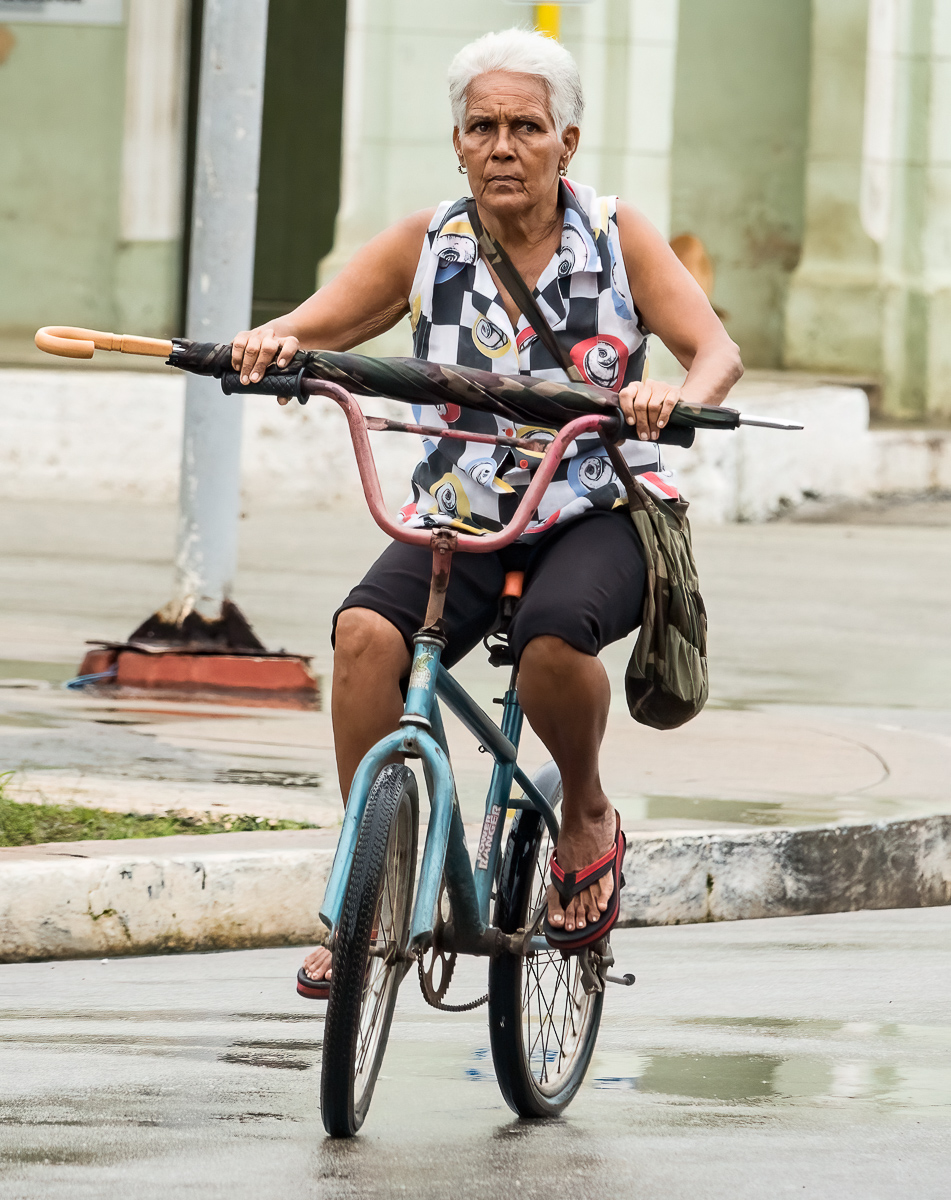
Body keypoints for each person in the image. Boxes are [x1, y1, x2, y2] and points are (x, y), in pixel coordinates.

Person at [230, 28, 742, 995]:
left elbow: (714, 351)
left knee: (554, 641)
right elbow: (319, 321)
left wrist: (672, 396)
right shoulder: (428, 242)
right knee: (364, 637)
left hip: (598, 507)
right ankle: (369, 882)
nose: (503, 146)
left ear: (566, 142)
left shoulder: (615, 233)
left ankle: (585, 810)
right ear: (458, 143)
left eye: (525, 127)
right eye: (482, 128)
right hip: (461, 512)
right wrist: (264, 347)